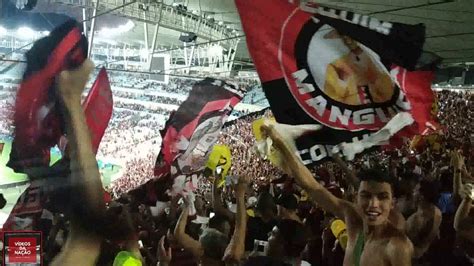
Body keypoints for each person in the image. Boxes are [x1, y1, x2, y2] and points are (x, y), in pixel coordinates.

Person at [261, 124, 413, 266]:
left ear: (392, 202)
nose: (373, 204)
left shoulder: (397, 246)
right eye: (366, 195)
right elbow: (311, 186)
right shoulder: (352, 218)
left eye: (382, 197)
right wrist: (280, 143)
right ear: (356, 198)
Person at [406, 180, 442, 259]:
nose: (413, 192)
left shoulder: (417, 220)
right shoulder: (437, 211)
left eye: (415, 190)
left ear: (421, 196)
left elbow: (406, 242)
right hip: (424, 251)